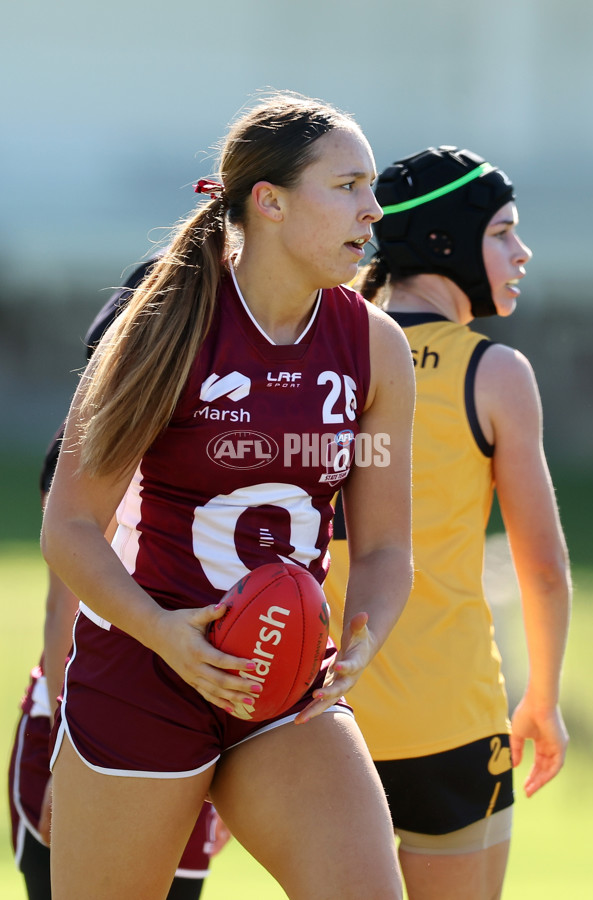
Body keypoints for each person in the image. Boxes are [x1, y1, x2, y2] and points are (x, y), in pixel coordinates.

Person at [40, 91, 416, 900]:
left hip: (284, 679)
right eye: (348, 186)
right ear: (269, 201)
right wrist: (167, 636)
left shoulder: (375, 345)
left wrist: (363, 637)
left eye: (372, 186)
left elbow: (386, 547)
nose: (373, 209)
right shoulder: (163, 327)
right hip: (148, 669)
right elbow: (69, 525)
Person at [325, 146, 571, 900]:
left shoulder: (321, 350)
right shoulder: (493, 373)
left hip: (320, 724)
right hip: (451, 726)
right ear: (445, 243)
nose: (521, 251)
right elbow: (542, 568)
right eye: (502, 232)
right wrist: (544, 699)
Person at [8, 259, 228, 900]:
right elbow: (64, 612)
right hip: (87, 726)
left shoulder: (215, 447)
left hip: (188, 723)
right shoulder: (97, 453)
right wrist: (61, 760)